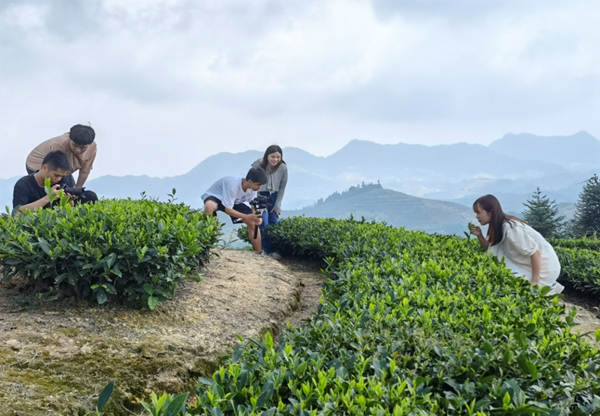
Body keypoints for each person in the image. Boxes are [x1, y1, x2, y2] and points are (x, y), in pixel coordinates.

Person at [469, 194, 564, 295]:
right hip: (529, 264)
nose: (477, 216)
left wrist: (534, 283)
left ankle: (546, 286)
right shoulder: (497, 226)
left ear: (490, 211)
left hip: (546, 266)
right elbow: (491, 249)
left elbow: (535, 253)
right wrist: (479, 235)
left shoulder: (510, 229)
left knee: (526, 290)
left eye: (478, 212)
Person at [202, 168, 268, 253]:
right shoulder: (233, 186)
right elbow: (228, 210)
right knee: (209, 206)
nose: (260, 187)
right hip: (217, 197)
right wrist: (247, 216)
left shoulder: (252, 189)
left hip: (234, 200)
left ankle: (259, 252)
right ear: (250, 181)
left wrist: (256, 216)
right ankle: (205, 243)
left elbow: (252, 203)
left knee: (253, 222)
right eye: (258, 185)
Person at [13, 151, 98, 214]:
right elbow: (17, 213)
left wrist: (69, 201)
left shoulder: (65, 179)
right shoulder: (23, 184)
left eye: (62, 176)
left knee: (90, 196)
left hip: (58, 219)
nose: (59, 179)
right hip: (36, 222)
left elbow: (70, 212)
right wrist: (49, 197)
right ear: (45, 168)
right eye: (56, 175)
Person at [26, 124, 97, 188]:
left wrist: (78, 188)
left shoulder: (92, 147)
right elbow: (55, 169)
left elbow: (85, 171)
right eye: (74, 145)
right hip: (38, 165)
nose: (77, 150)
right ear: (70, 139)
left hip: (63, 170)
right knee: (51, 191)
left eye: (83, 148)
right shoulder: (60, 144)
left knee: (71, 192)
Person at [251, 145, 288, 259]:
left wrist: (277, 206)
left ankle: (273, 251)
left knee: (274, 222)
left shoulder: (283, 167)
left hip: (275, 196)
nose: (275, 160)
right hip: (261, 195)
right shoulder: (260, 166)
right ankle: (263, 251)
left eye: (278, 157)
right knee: (263, 222)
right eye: (272, 156)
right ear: (267, 156)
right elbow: (252, 172)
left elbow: (282, 187)